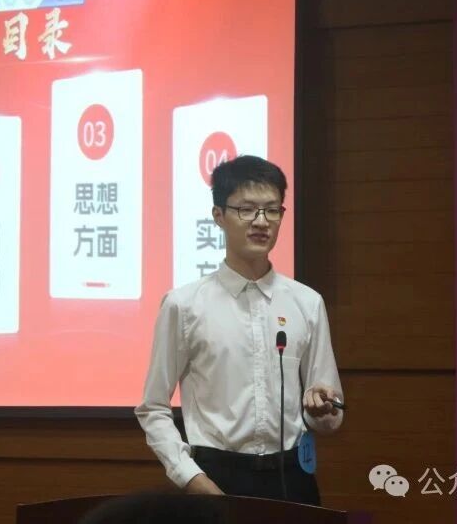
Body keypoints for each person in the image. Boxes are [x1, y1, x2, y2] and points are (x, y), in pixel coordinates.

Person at [135, 155, 343, 506]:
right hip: (216, 476)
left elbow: (329, 417)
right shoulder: (184, 305)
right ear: (218, 216)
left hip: (292, 476)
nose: (261, 222)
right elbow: (153, 408)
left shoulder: (307, 303)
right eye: (246, 209)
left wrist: (323, 409)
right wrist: (190, 477)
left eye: (272, 210)